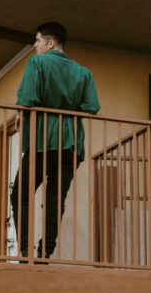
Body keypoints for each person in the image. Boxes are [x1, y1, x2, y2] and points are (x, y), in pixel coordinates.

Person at [11, 22, 100, 259]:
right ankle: (45, 251)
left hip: (42, 140)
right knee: (55, 199)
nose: (35, 45)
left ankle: (24, 249)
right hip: (71, 144)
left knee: (20, 193)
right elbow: (92, 106)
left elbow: (28, 98)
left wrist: (20, 111)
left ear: (51, 43)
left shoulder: (37, 63)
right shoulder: (83, 71)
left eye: (38, 40)